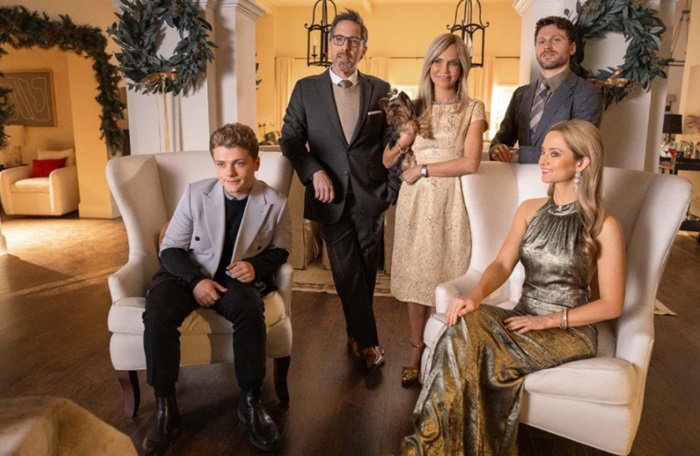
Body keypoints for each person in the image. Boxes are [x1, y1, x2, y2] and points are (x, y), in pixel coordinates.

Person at [403, 120, 626, 455]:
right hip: (524, 314)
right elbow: (502, 265)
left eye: (554, 154)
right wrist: (474, 296)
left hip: (569, 330)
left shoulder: (604, 225)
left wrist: (548, 321)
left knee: (472, 348)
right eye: (544, 152)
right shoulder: (529, 210)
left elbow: (612, 304)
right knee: (460, 324)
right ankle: (431, 445)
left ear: (582, 162)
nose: (543, 160)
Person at [141, 123, 291, 455]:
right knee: (158, 308)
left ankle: (250, 401)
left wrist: (256, 267)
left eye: (238, 163)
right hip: (186, 274)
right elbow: (171, 248)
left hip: (234, 279)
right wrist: (196, 282)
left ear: (255, 163)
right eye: (221, 164)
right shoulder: (196, 193)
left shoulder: (275, 202)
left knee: (250, 308)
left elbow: (282, 250)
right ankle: (165, 406)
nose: (229, 173)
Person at [279, 9, 394, 373]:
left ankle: (355, 335)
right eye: (339, 40)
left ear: (363, 48)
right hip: (329, 198)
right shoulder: (305, 89)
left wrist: (391, 188)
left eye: (354, 41)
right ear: (329, 44)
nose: (346, 48)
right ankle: (370, 342)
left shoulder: (381, 90)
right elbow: (289, 139)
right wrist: (313, 171)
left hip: (371, 196)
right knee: (346, 271)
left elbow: (393, 142)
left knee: (365, 272)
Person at [382, 33, 486, 388]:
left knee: (450, 273)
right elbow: (386, 160)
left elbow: (470, 162)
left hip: (452, 201)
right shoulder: (413, 109)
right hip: (416, 202)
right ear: (428, 66)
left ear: (462, 69)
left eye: (453, 63)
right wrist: (404, 141)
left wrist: (423, 169)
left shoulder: (473, 109)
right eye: (438, 61)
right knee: (417, 278)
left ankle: (446, 349)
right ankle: (416, 350)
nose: (444, 70)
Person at [489, 16, 602, 164]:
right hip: (518, 177)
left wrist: (518, 155)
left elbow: (579, 147)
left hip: (563, 178)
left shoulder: (587, 93)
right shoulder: (521, 94)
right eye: (541, 41)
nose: (547, 46)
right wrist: (497, 149)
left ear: (572, 48)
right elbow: (503, 138)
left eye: (556, 40)